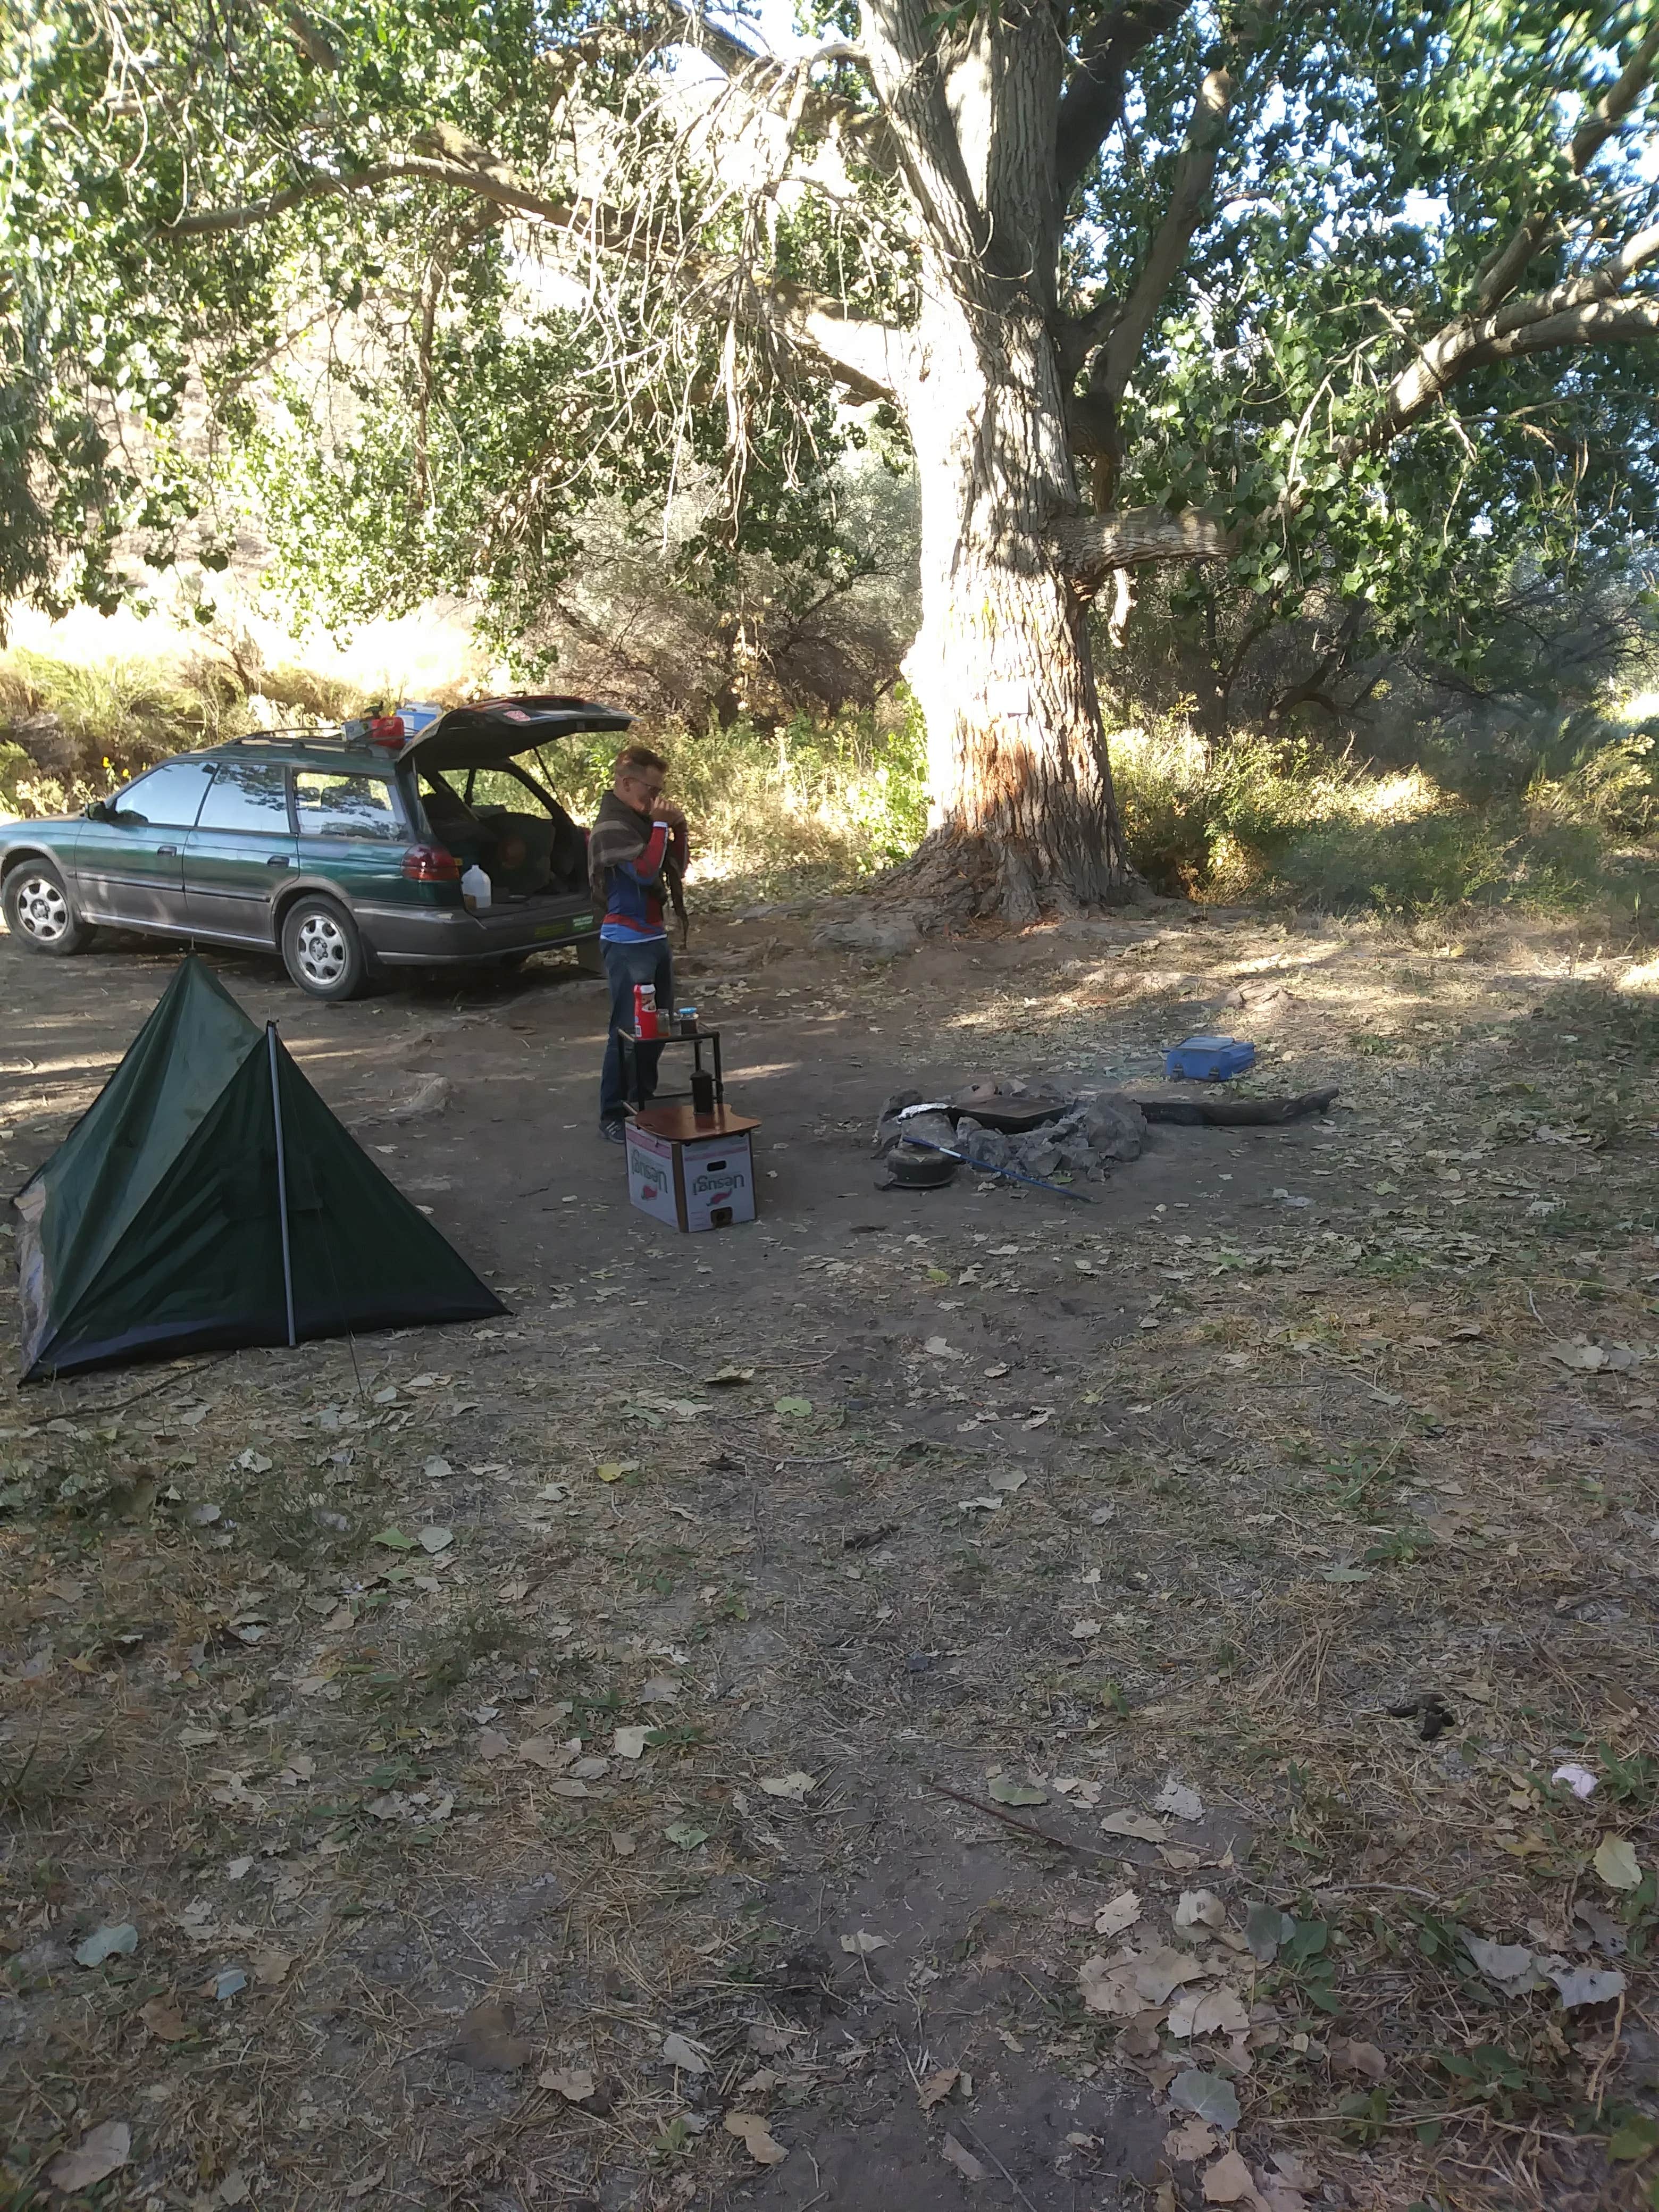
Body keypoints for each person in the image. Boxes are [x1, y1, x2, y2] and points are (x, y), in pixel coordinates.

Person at [588, 743, 689, 1141]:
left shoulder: (641, 821)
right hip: (627, 942)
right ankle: (613, 1112)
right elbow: (646, 873)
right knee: (628, 1029)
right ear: (627, 783)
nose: (655, 799)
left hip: (653, 937)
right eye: (650, 790)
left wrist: (676, 826)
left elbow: (675, 865)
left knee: (657, 1026)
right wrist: (663, 828)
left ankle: (641, 1099)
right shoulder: (610, 827)